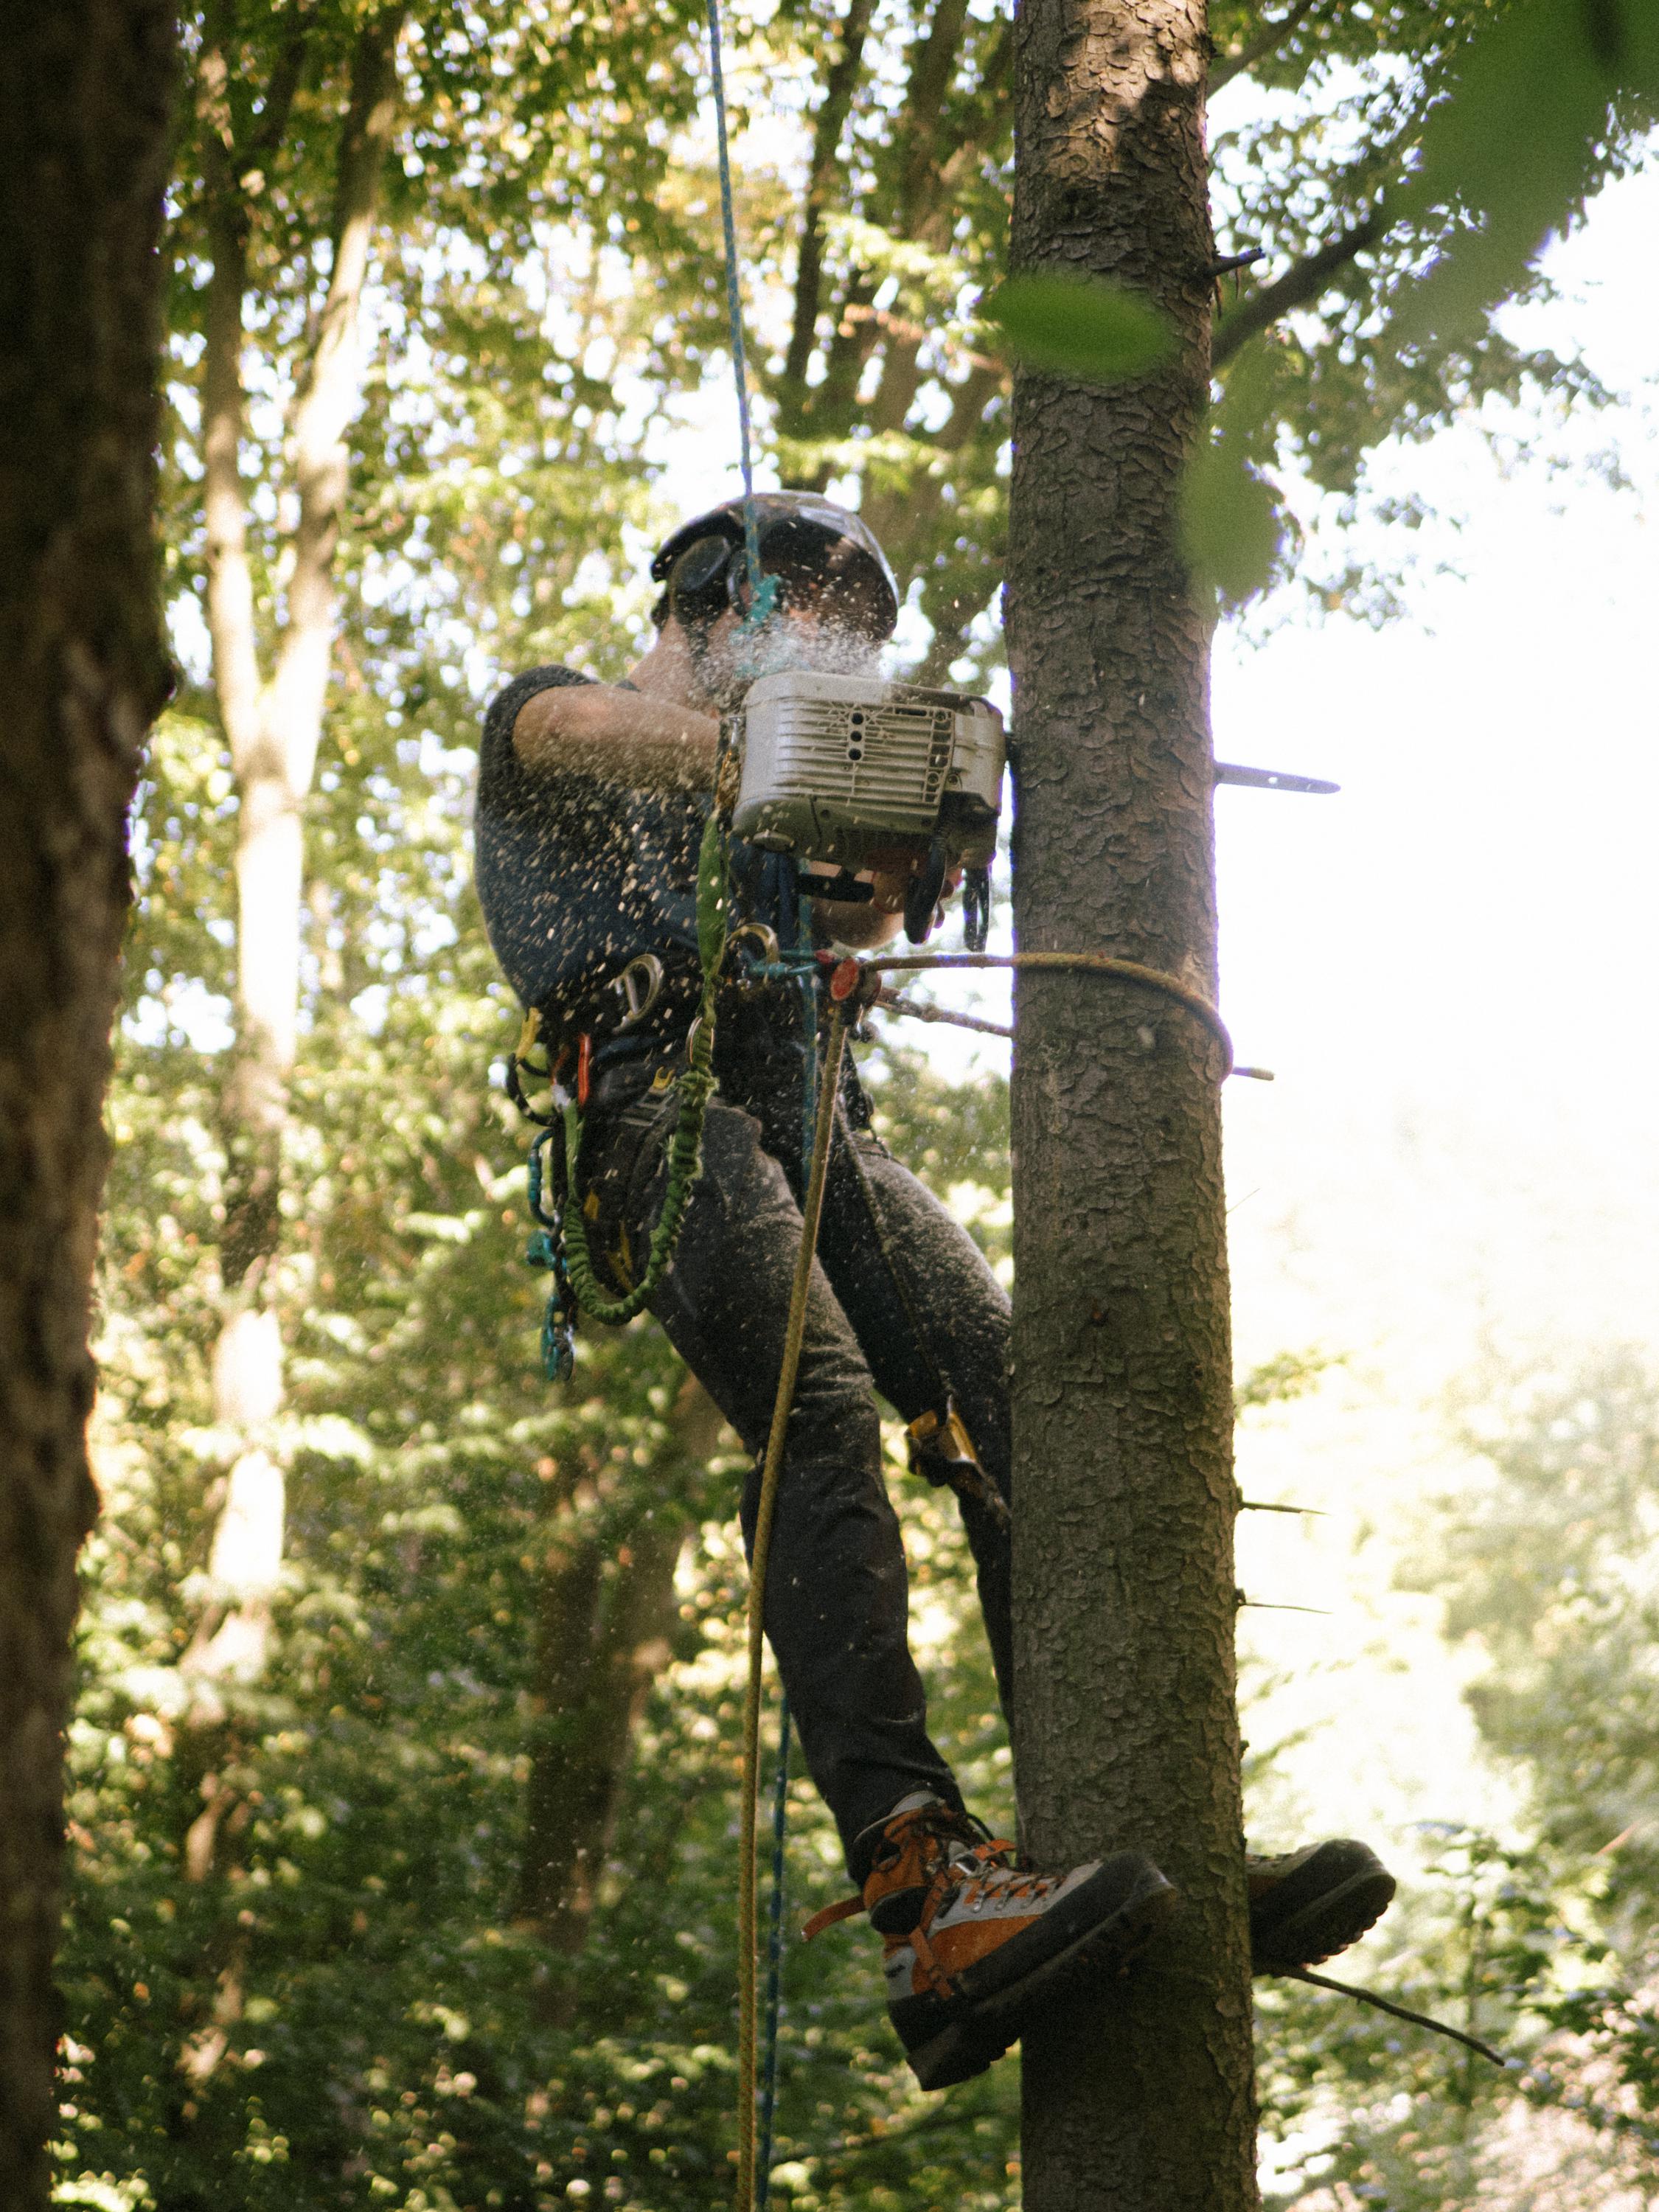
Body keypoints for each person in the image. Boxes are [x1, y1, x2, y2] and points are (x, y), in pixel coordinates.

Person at [473, 491, 1396, 2090]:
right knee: (816, 1411)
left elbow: (864, 911)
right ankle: (925, 1891)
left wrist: (909, 833)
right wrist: (797, 757)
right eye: (798, 642)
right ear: (704, 612)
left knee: (1016, 1397)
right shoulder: (560, 717)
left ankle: (1153, 1822)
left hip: (822, 1121)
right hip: (658, 1114)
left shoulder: (769, 792)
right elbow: (603, 740)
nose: (817, 678)